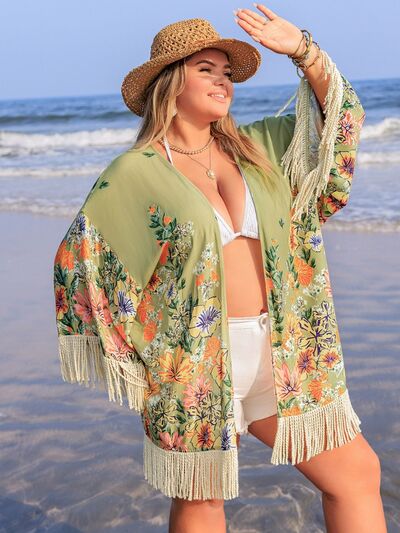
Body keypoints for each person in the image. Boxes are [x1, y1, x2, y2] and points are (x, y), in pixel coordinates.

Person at [53, 5, 387, 533]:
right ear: (169, 82)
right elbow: (81, 263)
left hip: (288, 351)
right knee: (202, 504)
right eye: (205, 69)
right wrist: (140, 356)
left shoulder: (261, 147)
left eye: (227, 72)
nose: (222, 80)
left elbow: (340, 121)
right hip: (197, 365)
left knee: (355, 474)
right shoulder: (136, 173)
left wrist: (303, 49)